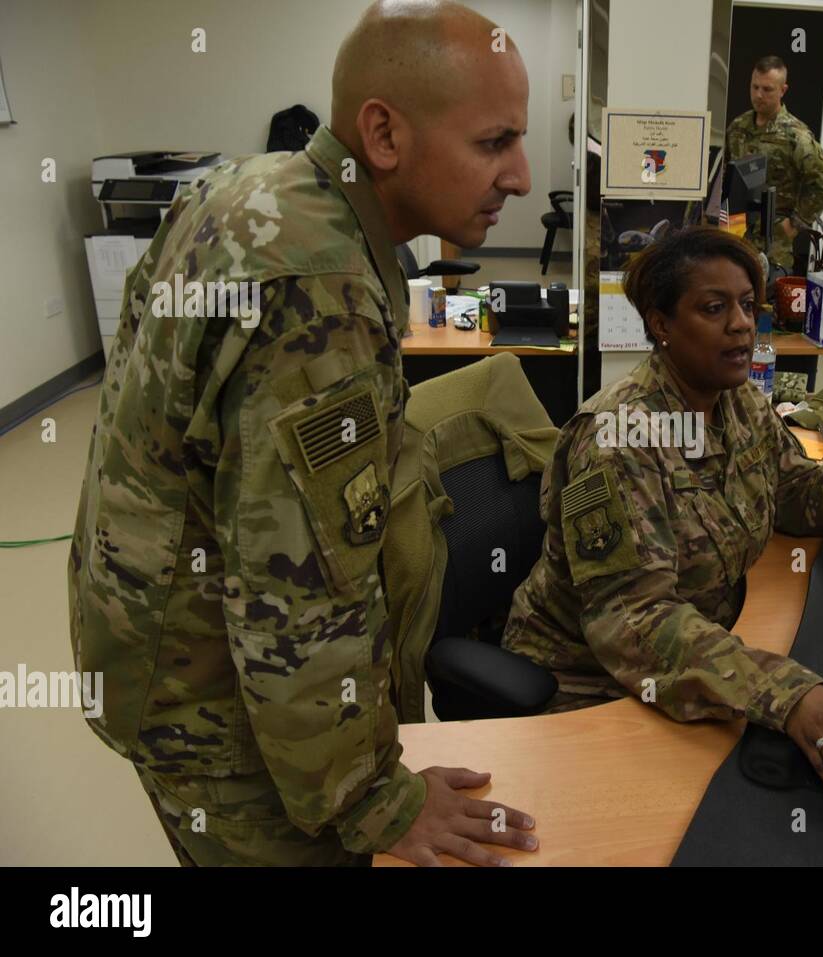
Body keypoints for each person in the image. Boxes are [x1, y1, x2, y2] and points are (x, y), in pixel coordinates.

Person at [68, 0, 539, 867]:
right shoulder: (314, 285)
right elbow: (294, 597)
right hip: (223, 717)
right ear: (385, 136)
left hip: (152, 636)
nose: (521, 173)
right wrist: (375, 802)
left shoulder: (251, 189)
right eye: (494, 142)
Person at [502, 228, 823, 801]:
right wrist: (784, 692)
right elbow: (635, 623)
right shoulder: (618, 439)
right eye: (714, 308)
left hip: (699, 648)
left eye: (747, 305)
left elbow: (804, 499)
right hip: (592, 681)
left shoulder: (737, 400)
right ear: (661, 325)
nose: (742, 324)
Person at [725, 55, 823, 273]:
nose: (758, 95)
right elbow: (727, 176)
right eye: (755, 87)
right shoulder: (738, 127)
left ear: (782, 90)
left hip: (773, 242)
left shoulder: (795, 135)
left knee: (767, 301)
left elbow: (822, 182)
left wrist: (795, 224)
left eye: (767, 89)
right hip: (735, 234)